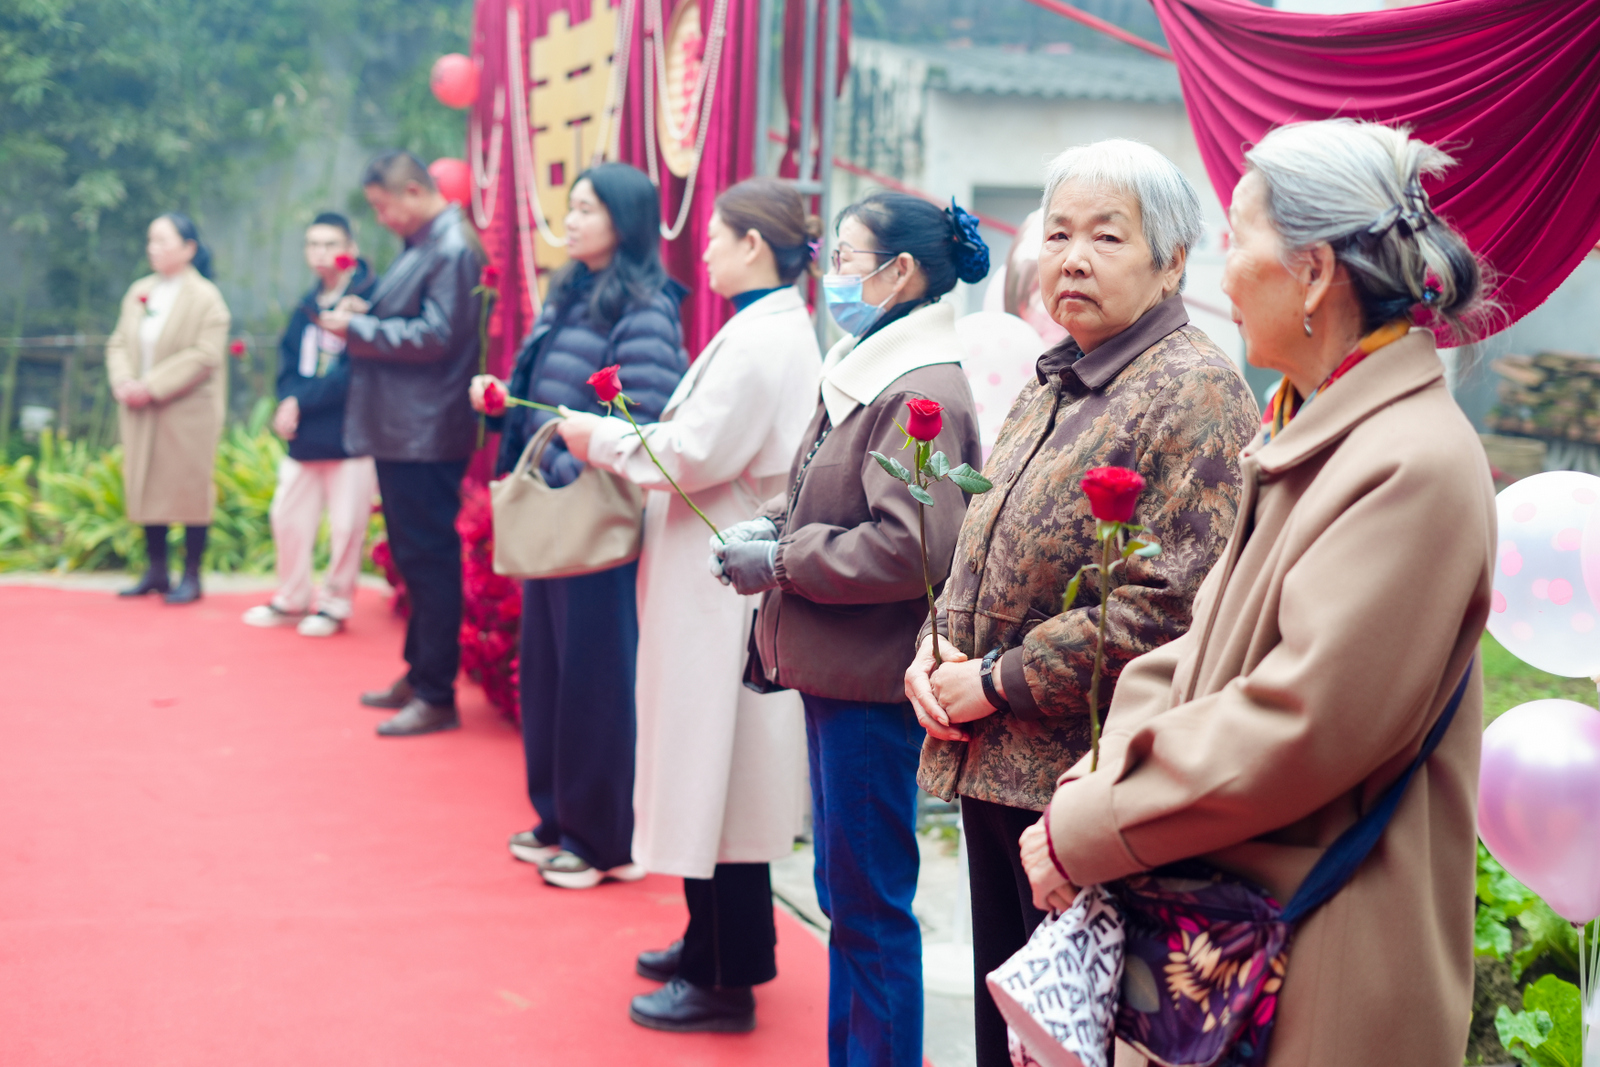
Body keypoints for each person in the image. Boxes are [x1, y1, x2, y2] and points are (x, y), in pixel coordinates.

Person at [1023, 119, 1494, 1067]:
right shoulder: (1313, 425)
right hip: (1249, 924)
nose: (1224, 273)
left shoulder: (1411, 463)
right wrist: (1099, 776)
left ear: (1313, 273)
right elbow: (1196, 647)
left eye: (1238, 241)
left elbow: (1300, 722)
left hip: (1325, 951)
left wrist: (1094, 823)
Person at [904, 140, 1261, 1067]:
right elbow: (986, 544)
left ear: (1172, 261)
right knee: (1010, 1030)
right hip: (994, 762)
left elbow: (1173, 606)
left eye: (1107, 236)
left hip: (1081, 784)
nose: (1071, 258)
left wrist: (998, 678)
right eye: (1057, 233)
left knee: (1070, 1041)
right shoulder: (1056, 375)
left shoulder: (1196, 389)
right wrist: (934, 651)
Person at [710, 190, 988, 1067]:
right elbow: (834, 499)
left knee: (868, 909)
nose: (832, 275)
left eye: (845, 258)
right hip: (843, 673)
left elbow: (912, 547)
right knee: (850, 899)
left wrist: (782, 560)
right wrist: (771, 527)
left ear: (899, 272)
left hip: (870, 682)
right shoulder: (872, 368)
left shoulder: (918, 390)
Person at [553, 177, 822, 1033]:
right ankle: (715, 944)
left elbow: (694, 452)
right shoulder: (765, 327)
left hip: (721, 589)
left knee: (718, 774)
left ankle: (722, 975)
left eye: (714, 235)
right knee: (716, 773)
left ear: (754, 245)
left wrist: (598, 436)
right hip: (718, 580)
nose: (702, 249)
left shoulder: (762, 339)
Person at [468, 163, 687, 889]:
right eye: (571, 206)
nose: (571, 219)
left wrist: (564, 464)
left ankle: (604, 840)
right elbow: (553, 393)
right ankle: (558, 818)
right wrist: (506, 404)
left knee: (596, 680)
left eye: (587, 208)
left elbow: (644, 414)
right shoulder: (571, 291)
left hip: (593, 512)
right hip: (557, 507)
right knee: (551, 674)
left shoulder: (646, 307)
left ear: (624, 220)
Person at [317, 151, 483, 737]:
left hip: (425, 431)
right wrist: (367, 313)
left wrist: (358, 328)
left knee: (429, 561)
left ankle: (436, 693)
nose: (382, 219)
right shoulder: (426, 243)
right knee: (416, 559)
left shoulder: (451, 247)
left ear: (414, 191)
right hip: (408, 429)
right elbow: (417, 319)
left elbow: (437, 336)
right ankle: (420, 674)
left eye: (383, 206)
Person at [242, 213, 378, 637]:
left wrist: (300, 401)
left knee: (346, 526)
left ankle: (334, 605)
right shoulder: (307, 305)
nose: (320, 253)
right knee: (287, 516)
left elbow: (357, 372)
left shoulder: (369, 301)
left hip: (350, 434)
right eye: (312, 244)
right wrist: (288, 402)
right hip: (305, 436)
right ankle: (292, 597)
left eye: (330, 244)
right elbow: (288, 363)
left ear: (350, 250)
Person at [106, 213, 231, 605]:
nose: (153, 248)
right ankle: (156, 569)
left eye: (162, 241)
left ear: (189, 248)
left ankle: (192, 574)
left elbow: (206, 355)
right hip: (142, 406)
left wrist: (151, 386)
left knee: (189, 487)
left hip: (187, 409)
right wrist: (124, 381)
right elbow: (118, 342)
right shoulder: (140, 290)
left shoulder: (206, 297)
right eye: (150, 240)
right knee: (148, 481)